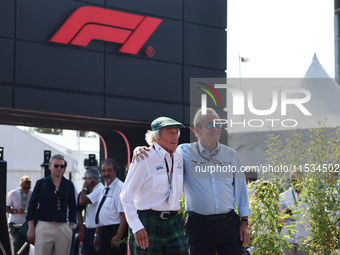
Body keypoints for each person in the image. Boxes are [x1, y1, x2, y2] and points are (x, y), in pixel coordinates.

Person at [133, 108, 251, 255]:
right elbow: (160, 151)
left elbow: (241, 190)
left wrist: (244, 222)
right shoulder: (183, 153)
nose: (215, 128)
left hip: (229, 224)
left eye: (218, 124)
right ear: (197, 131)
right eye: (209, 125)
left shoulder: (231, 155)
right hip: (199, 225)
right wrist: (139, 149)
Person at [120, 116, 188, 255]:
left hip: (173, 222)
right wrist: (137, 227)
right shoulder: (144, 157)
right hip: (147, 221)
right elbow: (126, 195)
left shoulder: (179, 156)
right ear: (156, 136)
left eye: (177, 132)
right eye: (170, 132)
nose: (175, 136)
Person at [26, 154, 77, 255]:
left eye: (62, 166)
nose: (59, 168)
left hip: (63, 226)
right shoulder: (41, 183)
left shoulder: (69, 185)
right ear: (50, 166)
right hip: (44, 225)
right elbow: (31, 206)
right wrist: (31, 228)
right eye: (56, 165)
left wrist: (71, 227)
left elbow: (73, 206)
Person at [93, 159, 127, 255]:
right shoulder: (104, 189)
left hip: (115, 231)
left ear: (115, 172)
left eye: (109, 170)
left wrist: (118, 235)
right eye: (103, 171)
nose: (106, 173)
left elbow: (124, 215)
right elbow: (101, 213)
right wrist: (97, 234)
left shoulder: (120, 187)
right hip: (105, 232)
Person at [279, 170, 310, 255]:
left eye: (298, 180)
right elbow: (278, 217)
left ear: (303, 180)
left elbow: (314, 215)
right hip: (288, 235)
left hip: (305, 235)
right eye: (293, 180)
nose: (296, 183)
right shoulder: (283, 196)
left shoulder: (310, 195)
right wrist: (285, 214)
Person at [78, 167, 104, 255]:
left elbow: (82, 201)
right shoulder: (95, 189)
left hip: (95, 232)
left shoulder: (100, 189)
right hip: (88, 231)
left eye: (85, 179)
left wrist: (84, 187)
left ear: (90, 179)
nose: (84, 181)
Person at [6, 175, 33, 255]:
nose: (27, 190)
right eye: (25, 188)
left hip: (26, 224)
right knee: (17, 241)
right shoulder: (13, 193)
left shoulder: (32, 193)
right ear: (21, 186)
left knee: (26, 243)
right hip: (14, 223)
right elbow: (6, 208)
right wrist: (16, 211)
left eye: (28, 188)